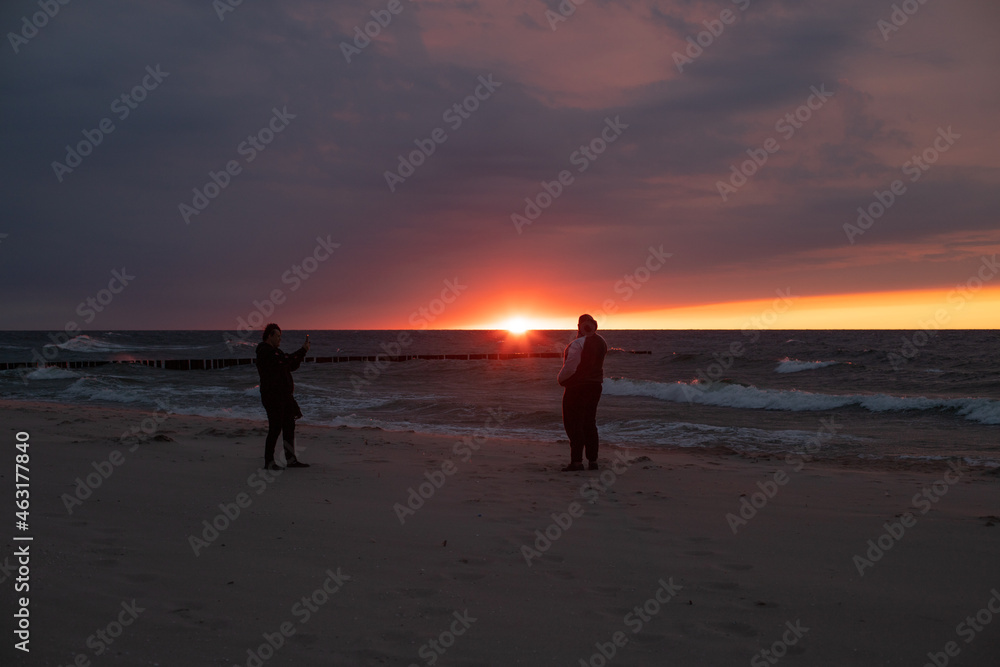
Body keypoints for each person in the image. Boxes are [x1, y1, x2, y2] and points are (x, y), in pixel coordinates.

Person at [256, 323, 311, 470]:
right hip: (272, 395)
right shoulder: (265, 351)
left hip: (284, 395)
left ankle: (291, 459)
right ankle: (269, 461)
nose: (280, 339)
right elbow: (285, 360)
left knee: (289, 426)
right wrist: (302, 351)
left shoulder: (276, 352)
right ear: (270, 336)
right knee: (275, 427)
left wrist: (302, 353)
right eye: (278, 336)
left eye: (281, 336)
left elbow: (290, 365)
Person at [557, 314, 608, 471]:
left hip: (577, 387)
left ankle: (576, 462)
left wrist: (561, 379)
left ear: (579, 326)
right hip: (595, 386)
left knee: (574, 423)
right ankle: (593, 461)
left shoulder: (578, 343)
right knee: (589, 423)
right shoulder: (601, 342)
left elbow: (571, 367)